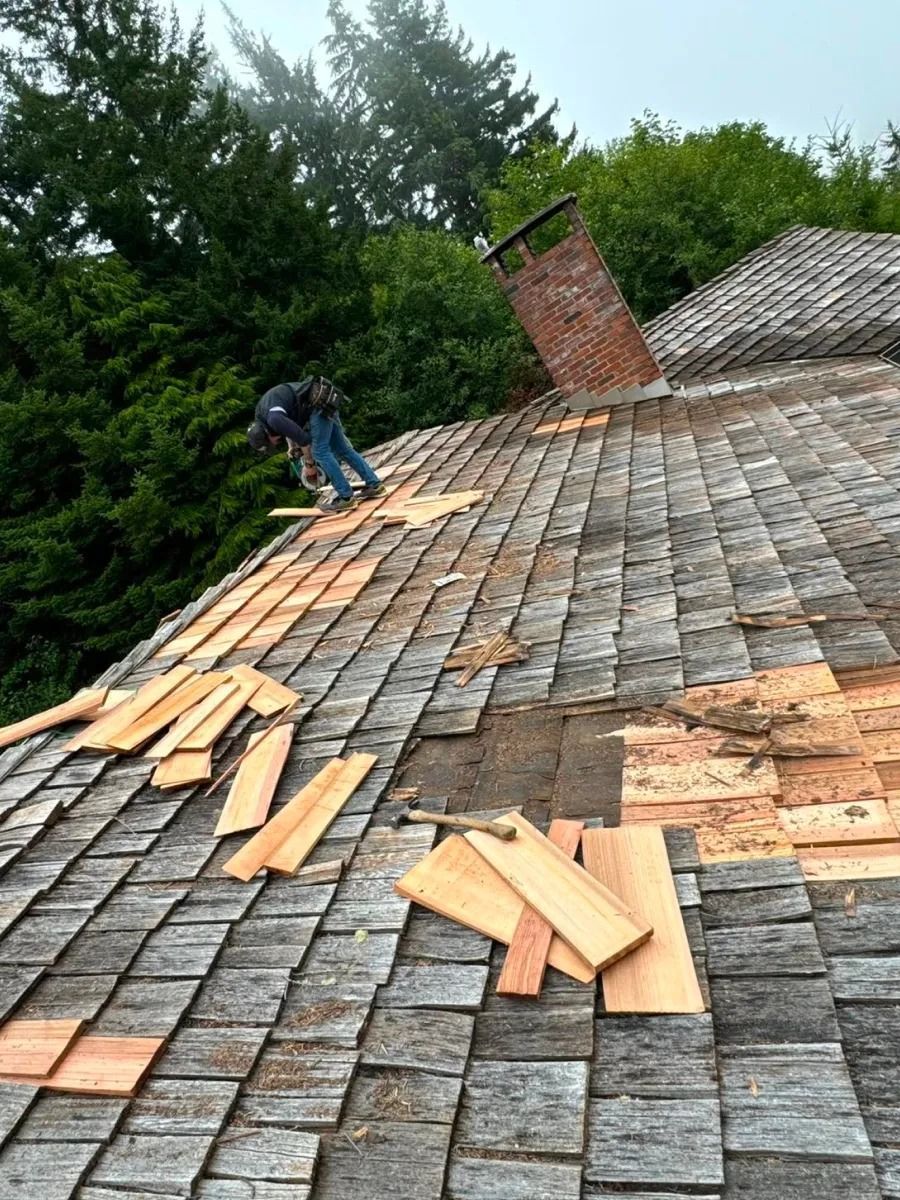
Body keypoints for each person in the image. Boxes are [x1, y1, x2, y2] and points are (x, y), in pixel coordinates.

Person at [247, 377, 385, 513]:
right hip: (324, 398)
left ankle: (346, 498)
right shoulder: (263, 415)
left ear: (267, 434)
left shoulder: (273, 419)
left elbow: (305, 442)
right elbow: (288, 425)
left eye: (270, 443)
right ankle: (375, 485)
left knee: (320, 452)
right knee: (342, 449)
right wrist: (292, 446)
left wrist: (310, 466)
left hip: (318, 406)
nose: (276, 443)